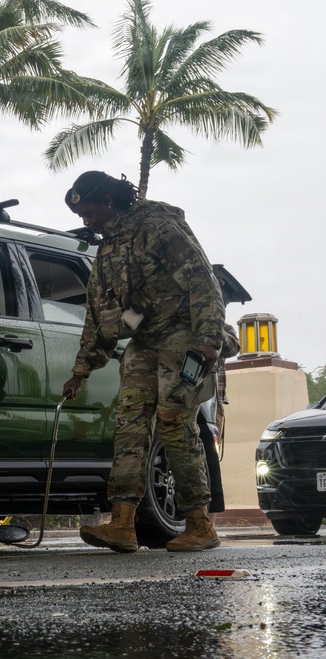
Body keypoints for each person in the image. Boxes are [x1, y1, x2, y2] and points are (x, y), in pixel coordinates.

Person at [61, 170, 226, 553]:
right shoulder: (106, 250)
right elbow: (96, 315)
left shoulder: (157, 225)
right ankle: (122, 524)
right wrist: (80, 371)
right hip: (144, 340)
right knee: (130, 423)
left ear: (107, 201)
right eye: (80, 214)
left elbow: (203, 280)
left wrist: (208, 340)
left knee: (173, 421)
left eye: (88, 210)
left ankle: (200, 525)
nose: (85, 220)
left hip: (185, 334)